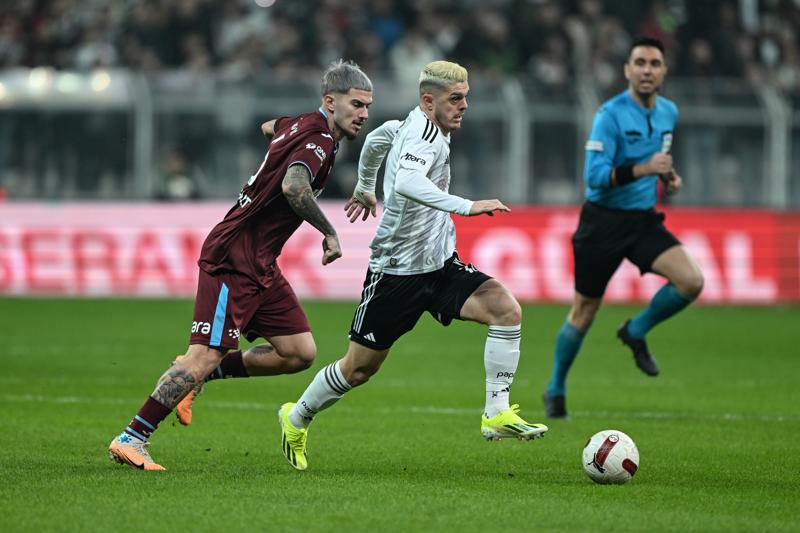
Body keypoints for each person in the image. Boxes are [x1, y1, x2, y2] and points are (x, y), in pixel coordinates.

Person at [277, 60, 548, 471]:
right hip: (396, 273)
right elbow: (406, 182)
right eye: (455, 99)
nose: (464, 106)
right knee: (359, 369)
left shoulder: (416, 124)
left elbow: (377, 139)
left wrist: (365, 185)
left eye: (465, 98)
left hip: (439, 266)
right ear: (428, 101)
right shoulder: (425, 136)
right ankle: (296, 418)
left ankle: (496, 412)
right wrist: (467, 206)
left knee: (505, 310)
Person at [107, 59, 374, 470]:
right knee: (203, 355)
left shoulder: (299, 124)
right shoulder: (318, 139)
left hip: (260, 261)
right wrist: (329, 231)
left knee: (298, 352)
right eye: (356, 104)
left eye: (367, 106)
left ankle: (201, 378)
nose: (364, 114)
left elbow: (270, 127)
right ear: (330, 101)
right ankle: (132, 437)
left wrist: (275, 154)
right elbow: (294, 186)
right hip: (234, 257)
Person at [542, 37, 704, 419]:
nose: (647, 70)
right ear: (627, 70)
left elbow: (659, 159)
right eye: (640, 63)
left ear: (664, 71)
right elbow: (594, 177)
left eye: (654, 63)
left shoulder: (668, 112)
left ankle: (636, 331)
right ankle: (555, 389)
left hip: (642, 220)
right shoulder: (609, 115)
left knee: (691, 281)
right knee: (584, 311)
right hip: (602, 223)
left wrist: (669, 178)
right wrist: (647, 169)